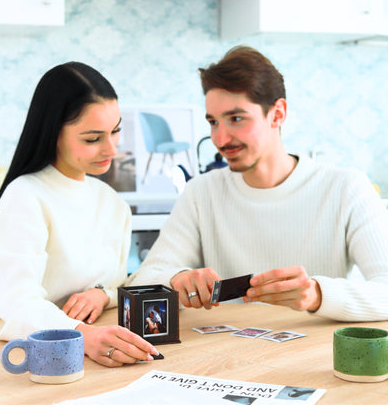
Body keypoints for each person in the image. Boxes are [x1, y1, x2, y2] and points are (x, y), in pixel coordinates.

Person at [127, 45, 388, 322]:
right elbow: (140, 283)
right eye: (214, 122)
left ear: (277, 114)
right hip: (229, 356)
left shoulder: (347, 187)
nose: (221, 139)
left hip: (316, 357)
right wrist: (177, 278)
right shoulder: (201, 192)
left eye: (236, 119)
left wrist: (317, 294)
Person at [0, 62, 159, 367]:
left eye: (115, 131)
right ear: (52, 133)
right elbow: (15, 303)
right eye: (92, 138)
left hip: (76, 357)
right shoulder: (26, 196)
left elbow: (116, 285)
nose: (112, 149)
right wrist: (83, 334)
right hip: (10, 358)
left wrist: (102, 296)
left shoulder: (113, 204)